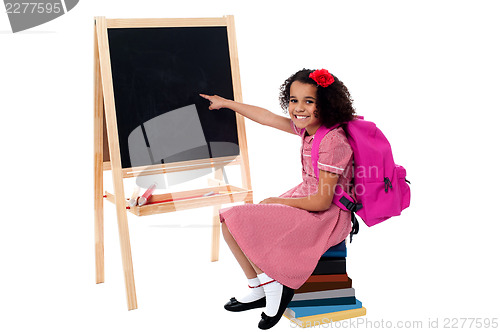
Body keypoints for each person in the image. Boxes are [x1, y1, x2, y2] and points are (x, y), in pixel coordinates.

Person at [200, 68, 357, 329]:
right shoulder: (310, 130)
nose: (299, 108)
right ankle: (259, 287)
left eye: (309, 101)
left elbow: (321, 202)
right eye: (294, 100)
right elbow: (267, 117)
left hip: (328, 215)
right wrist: (227, 103)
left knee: (239, 217)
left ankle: (276, 286)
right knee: (228, 220)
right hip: (306, 198)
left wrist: (280, 202)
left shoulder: (333, 142)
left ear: (326, 104)